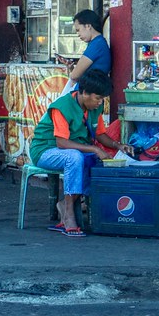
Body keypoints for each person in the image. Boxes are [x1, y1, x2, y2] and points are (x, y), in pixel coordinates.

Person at [28, 69, 133, 237]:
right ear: (84, 93)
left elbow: (99, 134)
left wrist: (118, 145)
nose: (100, 103)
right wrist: (95, 148)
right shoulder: (61, 107)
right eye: (97, 98)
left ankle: (65, 203)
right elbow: (61, 143)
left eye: (102, 99)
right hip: (45, 151)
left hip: (73, 150)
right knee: (75, 157)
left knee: (94, 161)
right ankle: (69, 214)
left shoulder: (94, 109)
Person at [59, 9, 111, 95]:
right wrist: (72, 69)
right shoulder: (97, 43)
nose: (78, 34)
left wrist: (74, 72)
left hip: (89, 94)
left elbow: (74, 76)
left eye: (78, 30)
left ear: (88, 26)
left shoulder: (97, 45)